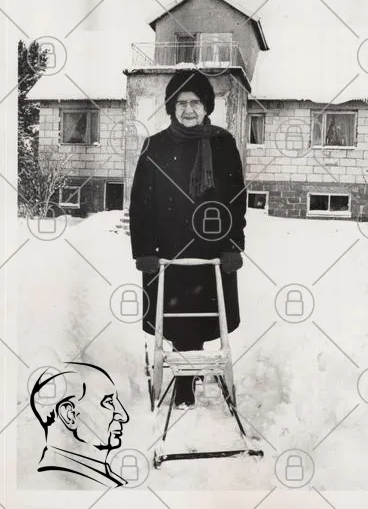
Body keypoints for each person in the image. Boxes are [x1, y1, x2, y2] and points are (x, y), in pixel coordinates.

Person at [129, 69, 247, 408]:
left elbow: (236, 198)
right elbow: (141, 203)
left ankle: (192, 371)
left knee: (206, 315)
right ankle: (184, 379)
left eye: (195, 102)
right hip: (168, 250)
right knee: (174, 316)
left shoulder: (222, 143)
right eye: (181, 103)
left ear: (206, 106)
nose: (188, 109)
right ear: (171, 108)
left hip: (211, 249)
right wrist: (144, 250)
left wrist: (233, 246)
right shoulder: (155, 146)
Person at [30, 363, 129, 489]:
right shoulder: (59, 484)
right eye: (109, 402)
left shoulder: (102, 479)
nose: (123, 416)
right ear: (69, 415)